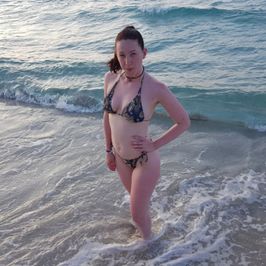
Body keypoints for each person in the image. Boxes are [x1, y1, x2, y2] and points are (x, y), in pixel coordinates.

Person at [103, 26, 190, 240]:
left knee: (136, 213)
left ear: (144, 53)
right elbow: (107, 117)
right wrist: (108, 150)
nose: (127, 61)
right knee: (139, 211)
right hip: (122, 160)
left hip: (144, 160)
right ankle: (147, 236)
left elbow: (183, 122)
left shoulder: (155, 88)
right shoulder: (110, 79)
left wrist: (155, 144)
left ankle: (150, 249)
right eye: (121, 55)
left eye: (133, 54)